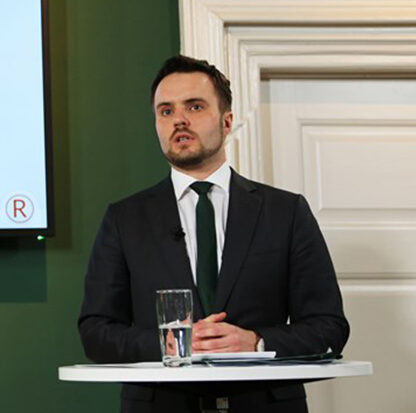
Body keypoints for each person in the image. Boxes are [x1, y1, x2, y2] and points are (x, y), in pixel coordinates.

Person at [78, 55, 349, 413]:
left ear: (227, 121)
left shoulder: (286, 212)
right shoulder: (124, 219)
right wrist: (172, 345)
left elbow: (329, 326)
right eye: (166, 111)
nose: (179, 119)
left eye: (195, 106)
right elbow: (96, 332)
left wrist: (256, 342)